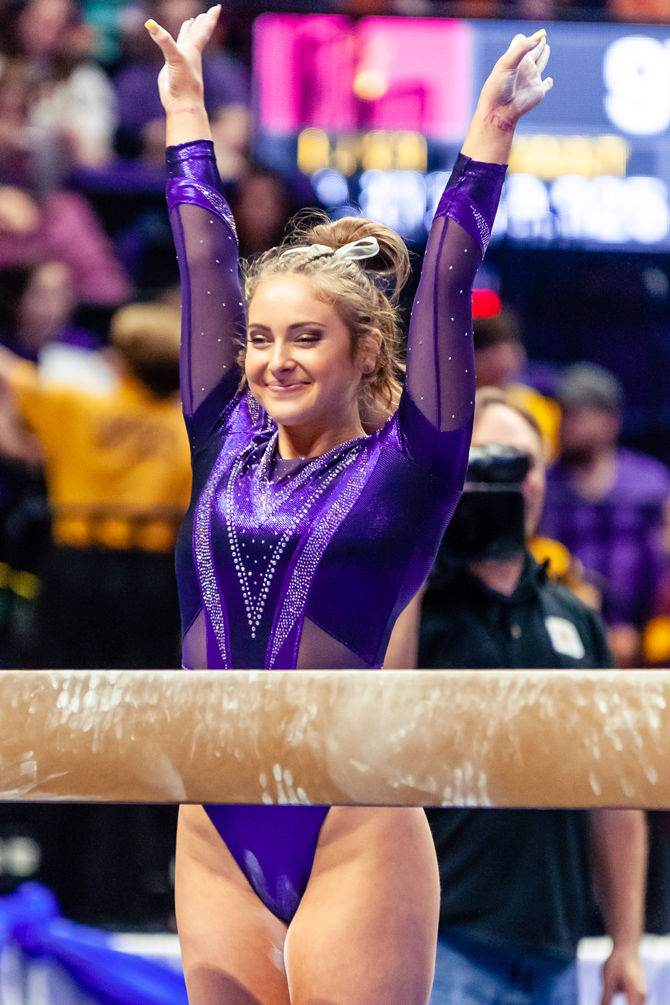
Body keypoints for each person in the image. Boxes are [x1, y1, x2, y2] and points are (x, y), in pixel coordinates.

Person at [147, 6, 552, 1002]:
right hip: (211, 826)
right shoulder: (222, 431)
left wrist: (485, 140)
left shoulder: (410, 468)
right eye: (261, 339)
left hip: (349, 824)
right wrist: (187, 112)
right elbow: (204, 261)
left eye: (305, 340)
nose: (274, 360)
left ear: (362, 352)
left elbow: (447, 279)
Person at [387, 387, 647, 1005]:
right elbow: (374, 704)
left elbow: (615, 790)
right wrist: (421, 533)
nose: (503, 482)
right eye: (481, 462)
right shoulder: (412, 603)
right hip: (439, 935)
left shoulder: (575, 616)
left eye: (519, 463)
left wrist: (627, 942)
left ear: (543, 477)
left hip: (553, 948)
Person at [541, 361, 670, 668]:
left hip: (645, 640)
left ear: (610, 420)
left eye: (577, 412)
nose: (565, 422)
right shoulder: (543, 485)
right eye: (562, 412)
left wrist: (640, 633)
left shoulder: (650, 483)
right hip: (564, 635)